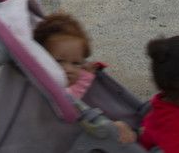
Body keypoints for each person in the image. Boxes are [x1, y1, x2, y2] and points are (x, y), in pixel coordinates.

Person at [33, 12, 137, 144]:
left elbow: (74, 94)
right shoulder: (43, 94)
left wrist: (85, 76)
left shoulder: (64, 87)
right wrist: (112, 127)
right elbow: (70, 102)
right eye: (59, 61)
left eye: (76, 63)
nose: (69, 69)